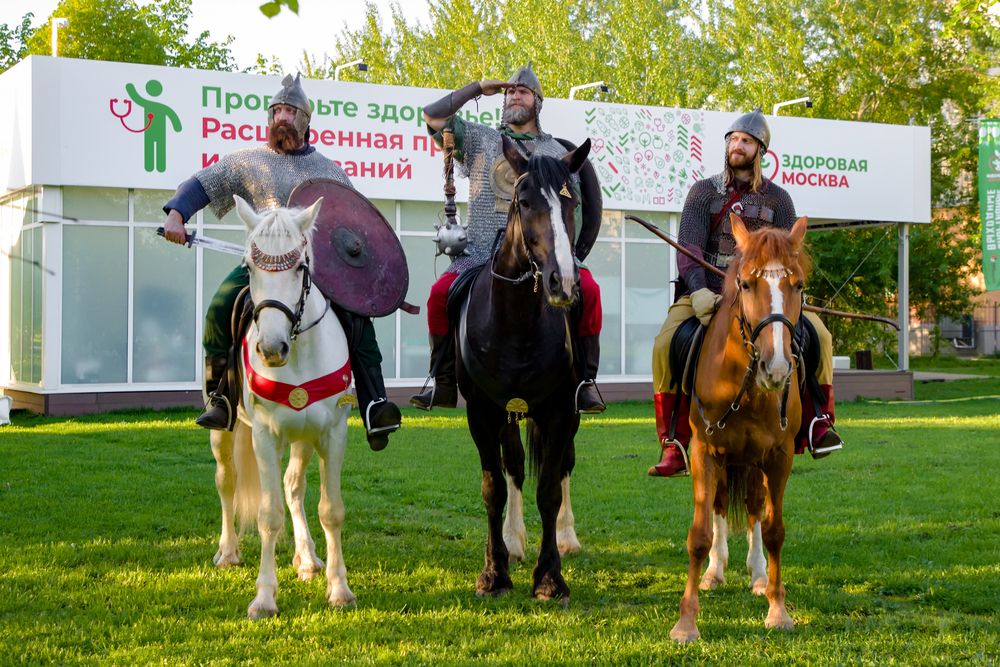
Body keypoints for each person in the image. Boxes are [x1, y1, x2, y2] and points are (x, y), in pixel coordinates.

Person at [161, 73, 401, 451]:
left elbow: (353, 224)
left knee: (358, 323)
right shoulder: (249, 162)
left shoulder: (330, 171)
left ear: (305, 120)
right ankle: (221, 398)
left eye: (290, 112)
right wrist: (177, 214)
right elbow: (203, 183)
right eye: (277, 112)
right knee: (220, 310)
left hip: (315, 267)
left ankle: (375, 405)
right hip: (262, 264)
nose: (282, 118)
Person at [648, 108, 844, 478]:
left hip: (767, 299)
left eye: (746, 141)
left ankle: (819, 421)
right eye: (733, 139)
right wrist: (698, 291)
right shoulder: (703, 192)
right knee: (664, 345)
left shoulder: (779, 200)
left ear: (760, 150)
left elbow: (790, 255)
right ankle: (674, 441)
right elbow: (689, 249)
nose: (737, 146)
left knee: (820, 336)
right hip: (708, 294)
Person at [410, 64, 605, 414]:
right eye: (510, 91)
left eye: (523, 91)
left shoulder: (555, 152)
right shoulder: (480, 140)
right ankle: (444, 380)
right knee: (439, 295)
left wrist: (565, 252)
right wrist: (476, 88)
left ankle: (584, 381)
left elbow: (569, 209)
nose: (515, 95)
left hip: (543, 254)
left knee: (589, 291)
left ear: (537, 101)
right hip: (482, 253)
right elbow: (432, 116)